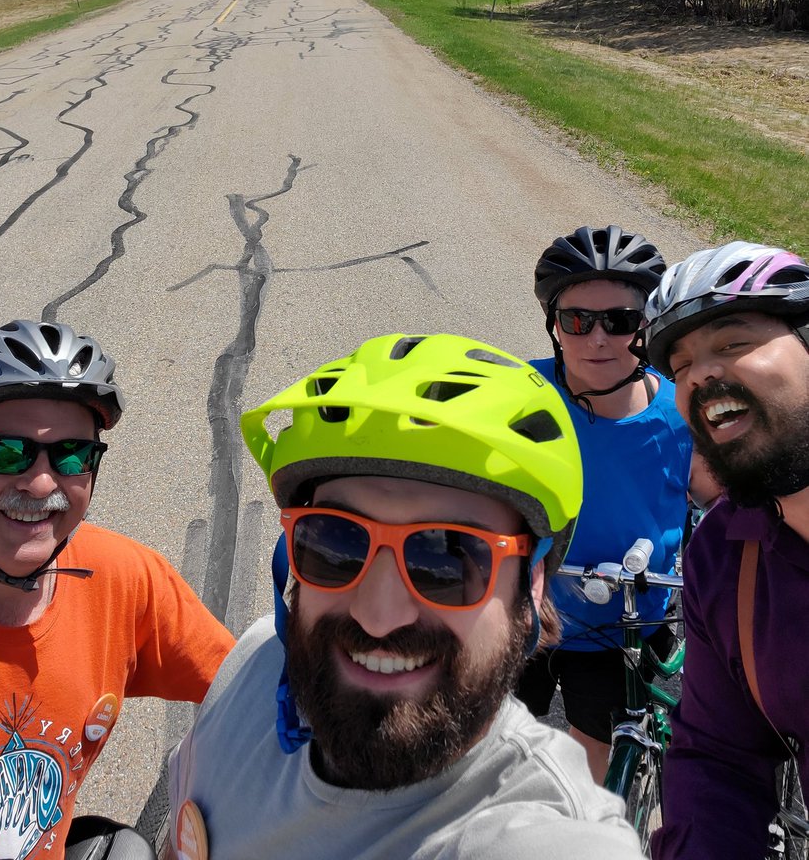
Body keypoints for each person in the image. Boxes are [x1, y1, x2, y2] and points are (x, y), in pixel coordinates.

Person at [168, 332, 644, 859]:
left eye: (446, 560)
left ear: (532, 583)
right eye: (335, 542)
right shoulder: (256, 662)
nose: (378, 615)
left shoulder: (539, 834)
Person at [0, 318, 235, 860]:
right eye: (6, 453)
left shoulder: (123, 580)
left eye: (71, 456)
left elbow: (257, 691)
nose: (41, 483)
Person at [642, 242, 809, 860]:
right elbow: (719, 758)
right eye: (680, 366)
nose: (700, 375)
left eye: (733, 344)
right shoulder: (725, 554)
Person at [516, 225, 692, 781]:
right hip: (525, 615)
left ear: (646, 328)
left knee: (598, 749)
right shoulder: (520, 397)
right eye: (577, 321)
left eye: (619, 321)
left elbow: (728, 504)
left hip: (625, 623)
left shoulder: (683, 412)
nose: (597, 339)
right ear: (555, 326)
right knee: (492, 740)